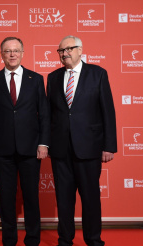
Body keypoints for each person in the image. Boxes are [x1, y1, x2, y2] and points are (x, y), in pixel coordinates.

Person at [47, 35, 117, 246]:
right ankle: (65, 240)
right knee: (64, 200)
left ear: (80, 50)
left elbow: (108, 112)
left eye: (69, 49)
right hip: (60, 150)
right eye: (61, 51)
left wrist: (109, 146)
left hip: (89, 147)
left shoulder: (98, 74)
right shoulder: (53, 77)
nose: (65, 53)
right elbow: (50, 114)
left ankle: (93, 240)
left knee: (90, 199)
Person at [0, 37, 50, 246]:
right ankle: (9, 240)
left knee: (31, 197)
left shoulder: (36, 79)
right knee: (6, 198)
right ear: (1, 54)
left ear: (22, 53)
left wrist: (43, 143)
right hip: (2, 150)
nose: (12, 54)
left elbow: (44, 115)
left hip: (31, 148)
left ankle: (32, 240)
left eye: (15, 50)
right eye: (7, 51)